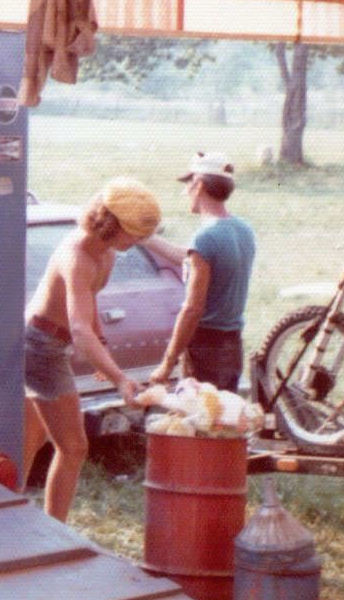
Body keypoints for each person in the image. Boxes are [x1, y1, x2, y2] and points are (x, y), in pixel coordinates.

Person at [22, 178, 160, 522]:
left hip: (50, 341)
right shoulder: (77, 256)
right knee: (73, 447)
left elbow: (89, 304)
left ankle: (7, 520)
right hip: (39, 345)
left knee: (28, 440)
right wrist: (119, 378)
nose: (138, 241)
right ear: (111, 223)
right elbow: (79, 328)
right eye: (135, 233)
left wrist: (102, 346)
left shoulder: (106, 252)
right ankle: (53, 532)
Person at [141, 151, 256, 393]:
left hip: (206, 349)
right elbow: (193, 259)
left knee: (199, 414)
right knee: (222, 413)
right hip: (232, 346)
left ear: (200, 185)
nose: (186, 192)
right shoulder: (243, 229)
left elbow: (192, 309)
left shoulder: (206, 237)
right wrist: (146, 239)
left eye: (188, 185)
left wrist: (167, 363)